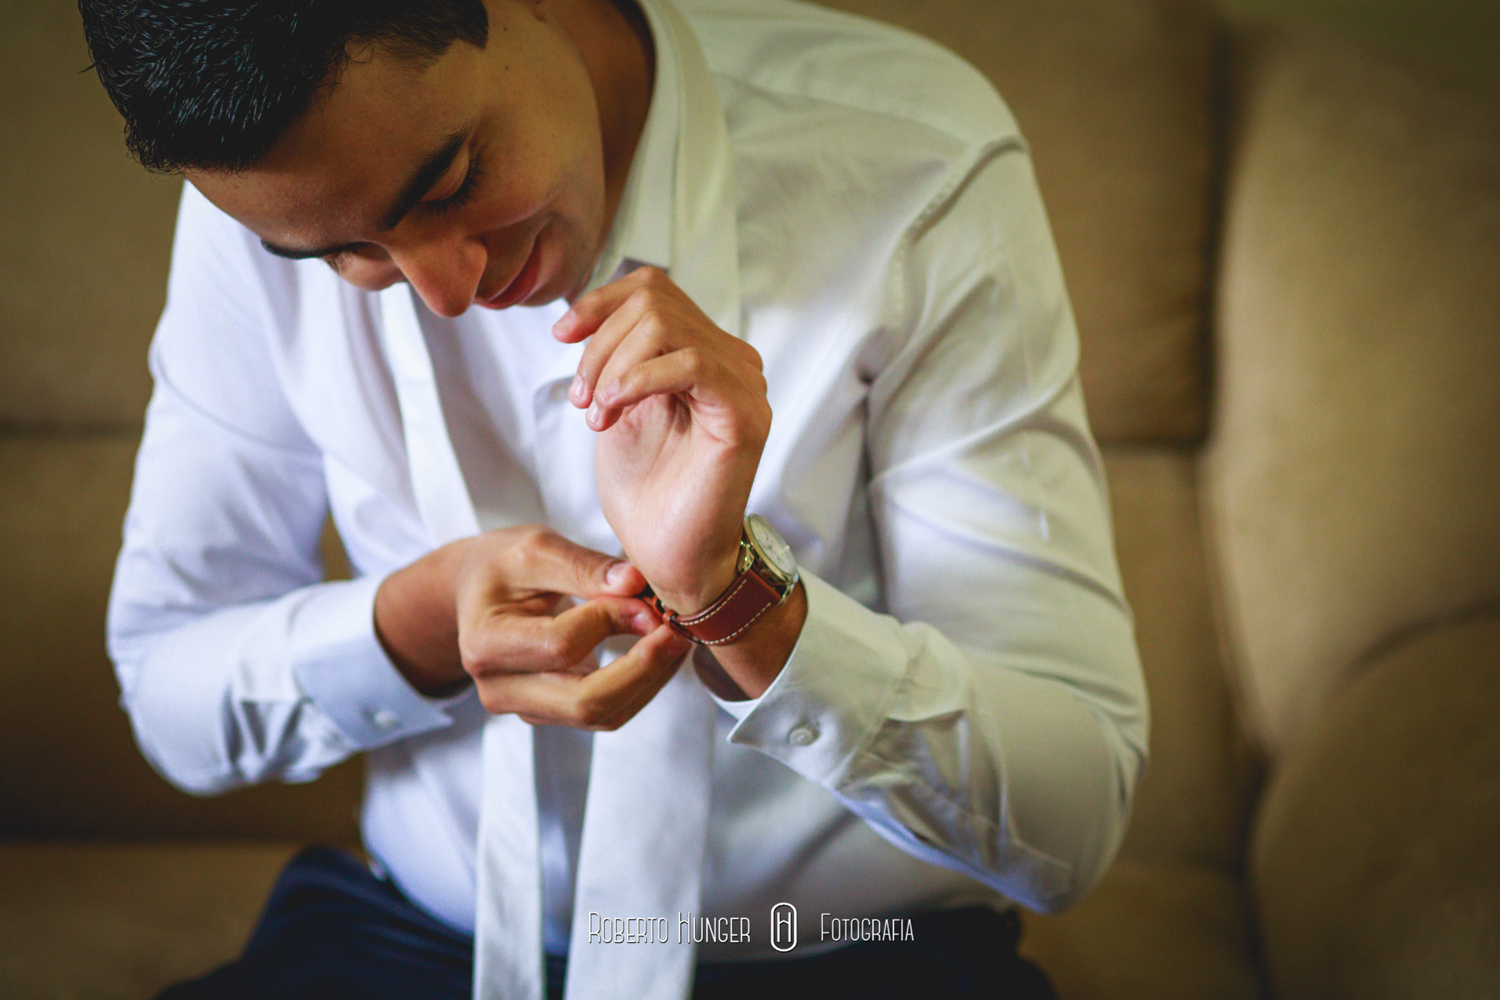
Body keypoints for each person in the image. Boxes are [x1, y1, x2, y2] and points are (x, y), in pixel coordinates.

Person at [81, 0, 1147, 996]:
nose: (444, 292)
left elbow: (1074, 819)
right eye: (345, 255)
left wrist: (731, 595)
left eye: (449, 181)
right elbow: (169, 691)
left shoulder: (918, 157)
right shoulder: (274, 202)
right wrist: (422, 622)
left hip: (847, 956)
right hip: (413, 936)